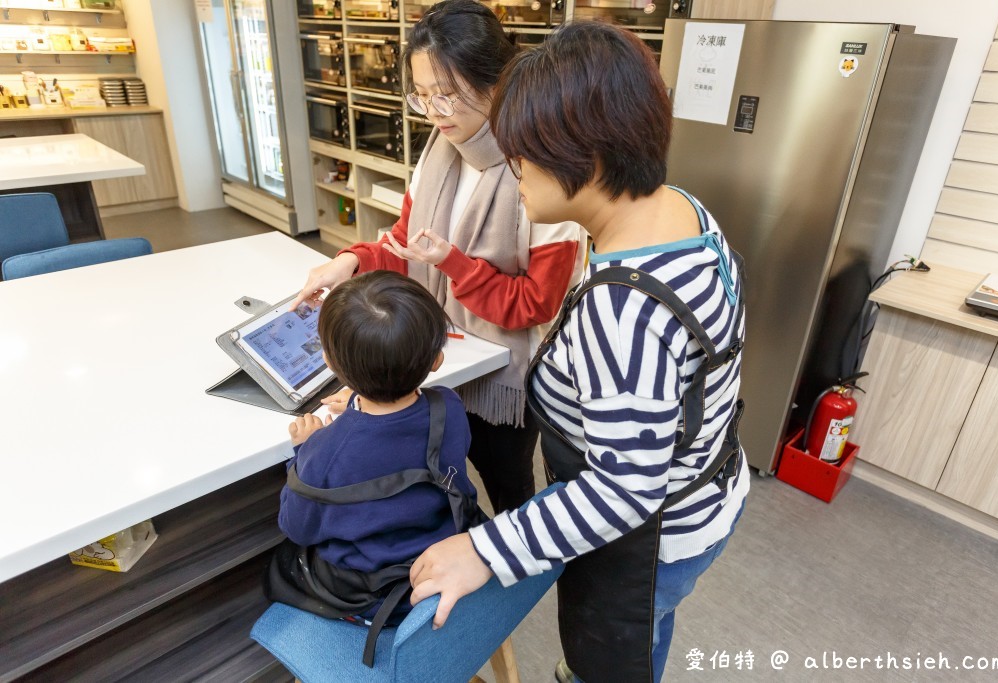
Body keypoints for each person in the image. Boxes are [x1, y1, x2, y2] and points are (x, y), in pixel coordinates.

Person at [408, 21, 749, 683]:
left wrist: (485, 548)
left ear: (585, 157)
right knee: (648, 631)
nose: (513, 171)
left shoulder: (626, 312)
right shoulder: (678, 210)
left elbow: (624, 488)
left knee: (607, 661)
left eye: (524, 156)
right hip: (707, 490)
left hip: (651, 541)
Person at [291, 0, 585, 515]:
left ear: (498, 82)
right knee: (434, 478)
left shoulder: (542, 167)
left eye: (447, 95)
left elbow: (535, 304)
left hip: (502, 375)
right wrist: (351, 262)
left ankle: (511, 580)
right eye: (422, 95)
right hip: (435, 357)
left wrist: (453, 263)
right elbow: (407, 245)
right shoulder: (439, 150)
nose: (433, 112)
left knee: (507, 486)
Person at [265, 271, 484, 664]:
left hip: (370, 596)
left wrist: (303, 449)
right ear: (436, 359)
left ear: (330, 361)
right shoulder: (448, 406)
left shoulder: (322, 453)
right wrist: (362, 398)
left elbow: (296, 527)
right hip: (439, 561)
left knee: (280, 564)